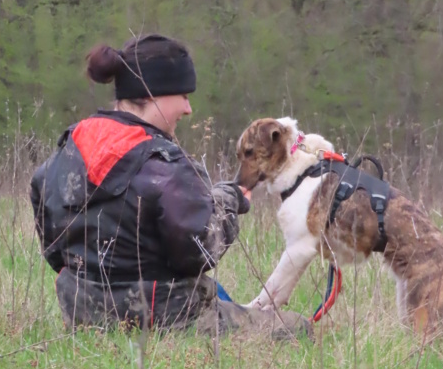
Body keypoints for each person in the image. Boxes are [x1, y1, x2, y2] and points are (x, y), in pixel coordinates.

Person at [30, 33, 311, 340]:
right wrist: (228, 201)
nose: (188, 109)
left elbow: (53, 246)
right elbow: (199, 251)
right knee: (297, 328)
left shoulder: (66, 152)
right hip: (169, 321)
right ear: (156, 94)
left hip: (84, 317)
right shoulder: (165, 165)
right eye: (184, 96)